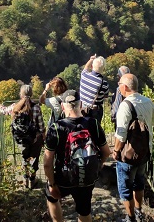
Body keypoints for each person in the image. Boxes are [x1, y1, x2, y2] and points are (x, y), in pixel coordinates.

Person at [43, 90, 111, 222]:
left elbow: (47, 163)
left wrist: (52, 184)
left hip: (64, 178)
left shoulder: (56, 128)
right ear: (81, 104)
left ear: (63, 106)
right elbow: (106, 152)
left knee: (51, 197)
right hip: (87, 177)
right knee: (84, 212)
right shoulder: (93, 124)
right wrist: (98, 166)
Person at [113, 73, 154, 222]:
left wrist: (116, 151)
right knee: (139, 183)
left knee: (125, 188)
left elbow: (121, 135)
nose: (118, 88)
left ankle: (130, 218)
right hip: (145, 152)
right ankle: (138, 212)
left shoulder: (125, 106)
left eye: (119, 85)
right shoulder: (147, 101)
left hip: (128, 156)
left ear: (125, 87)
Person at [0, 84, 45, 189]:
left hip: (21, 139)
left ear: (21, 94)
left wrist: (0, 106)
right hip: (35, 139)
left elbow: (4, 111)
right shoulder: (36, 107)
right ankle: (33, 180)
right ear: (31, 94)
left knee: (25, 158)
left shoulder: (15, 107)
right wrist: (43, 138)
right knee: (34, 159)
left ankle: (25, 180)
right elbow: (41, 126)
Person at [79, 54, 109, 124]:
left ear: (92, 66)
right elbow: (106, 96)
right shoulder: (104, 84)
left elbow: (86, 67)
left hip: (82, 109)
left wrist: (91, 59)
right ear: (103, 69)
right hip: (95, 111)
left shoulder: (84, 75)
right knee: (95, 131)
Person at [110, 65, 130, 130]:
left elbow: (116, 105)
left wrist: (113, 116)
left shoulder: (120, 89)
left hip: (121, 119)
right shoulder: (133, 87)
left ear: (120, 76)